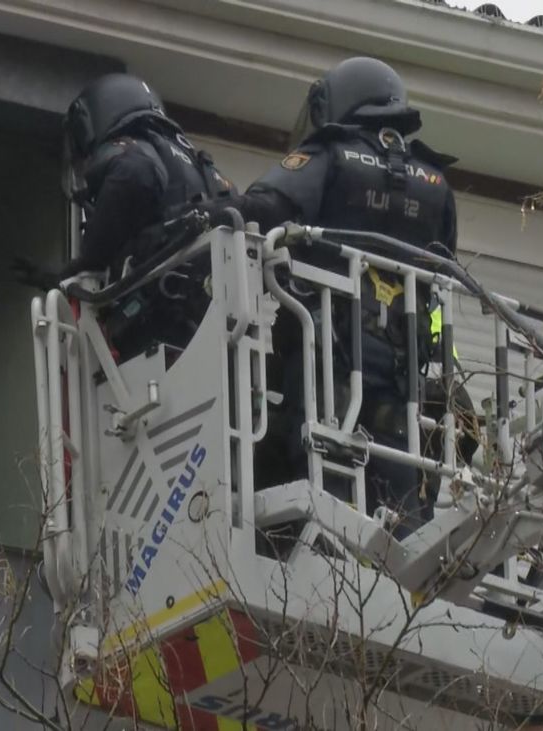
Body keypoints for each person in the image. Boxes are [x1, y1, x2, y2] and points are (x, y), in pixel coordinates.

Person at [206, 57, 461, 537]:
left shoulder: (331, 156)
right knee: (403, 518)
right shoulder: (436, 185)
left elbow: (265, 208)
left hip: (329, 360)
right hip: (402, 383)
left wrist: (212, 208)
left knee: (309, 495)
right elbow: (438, 274)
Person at [15, 73, 235, 358]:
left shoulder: (131, 147)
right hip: (205, 327)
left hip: (153, 323)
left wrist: (84, 264)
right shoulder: (202, 168)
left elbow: (134, 176)